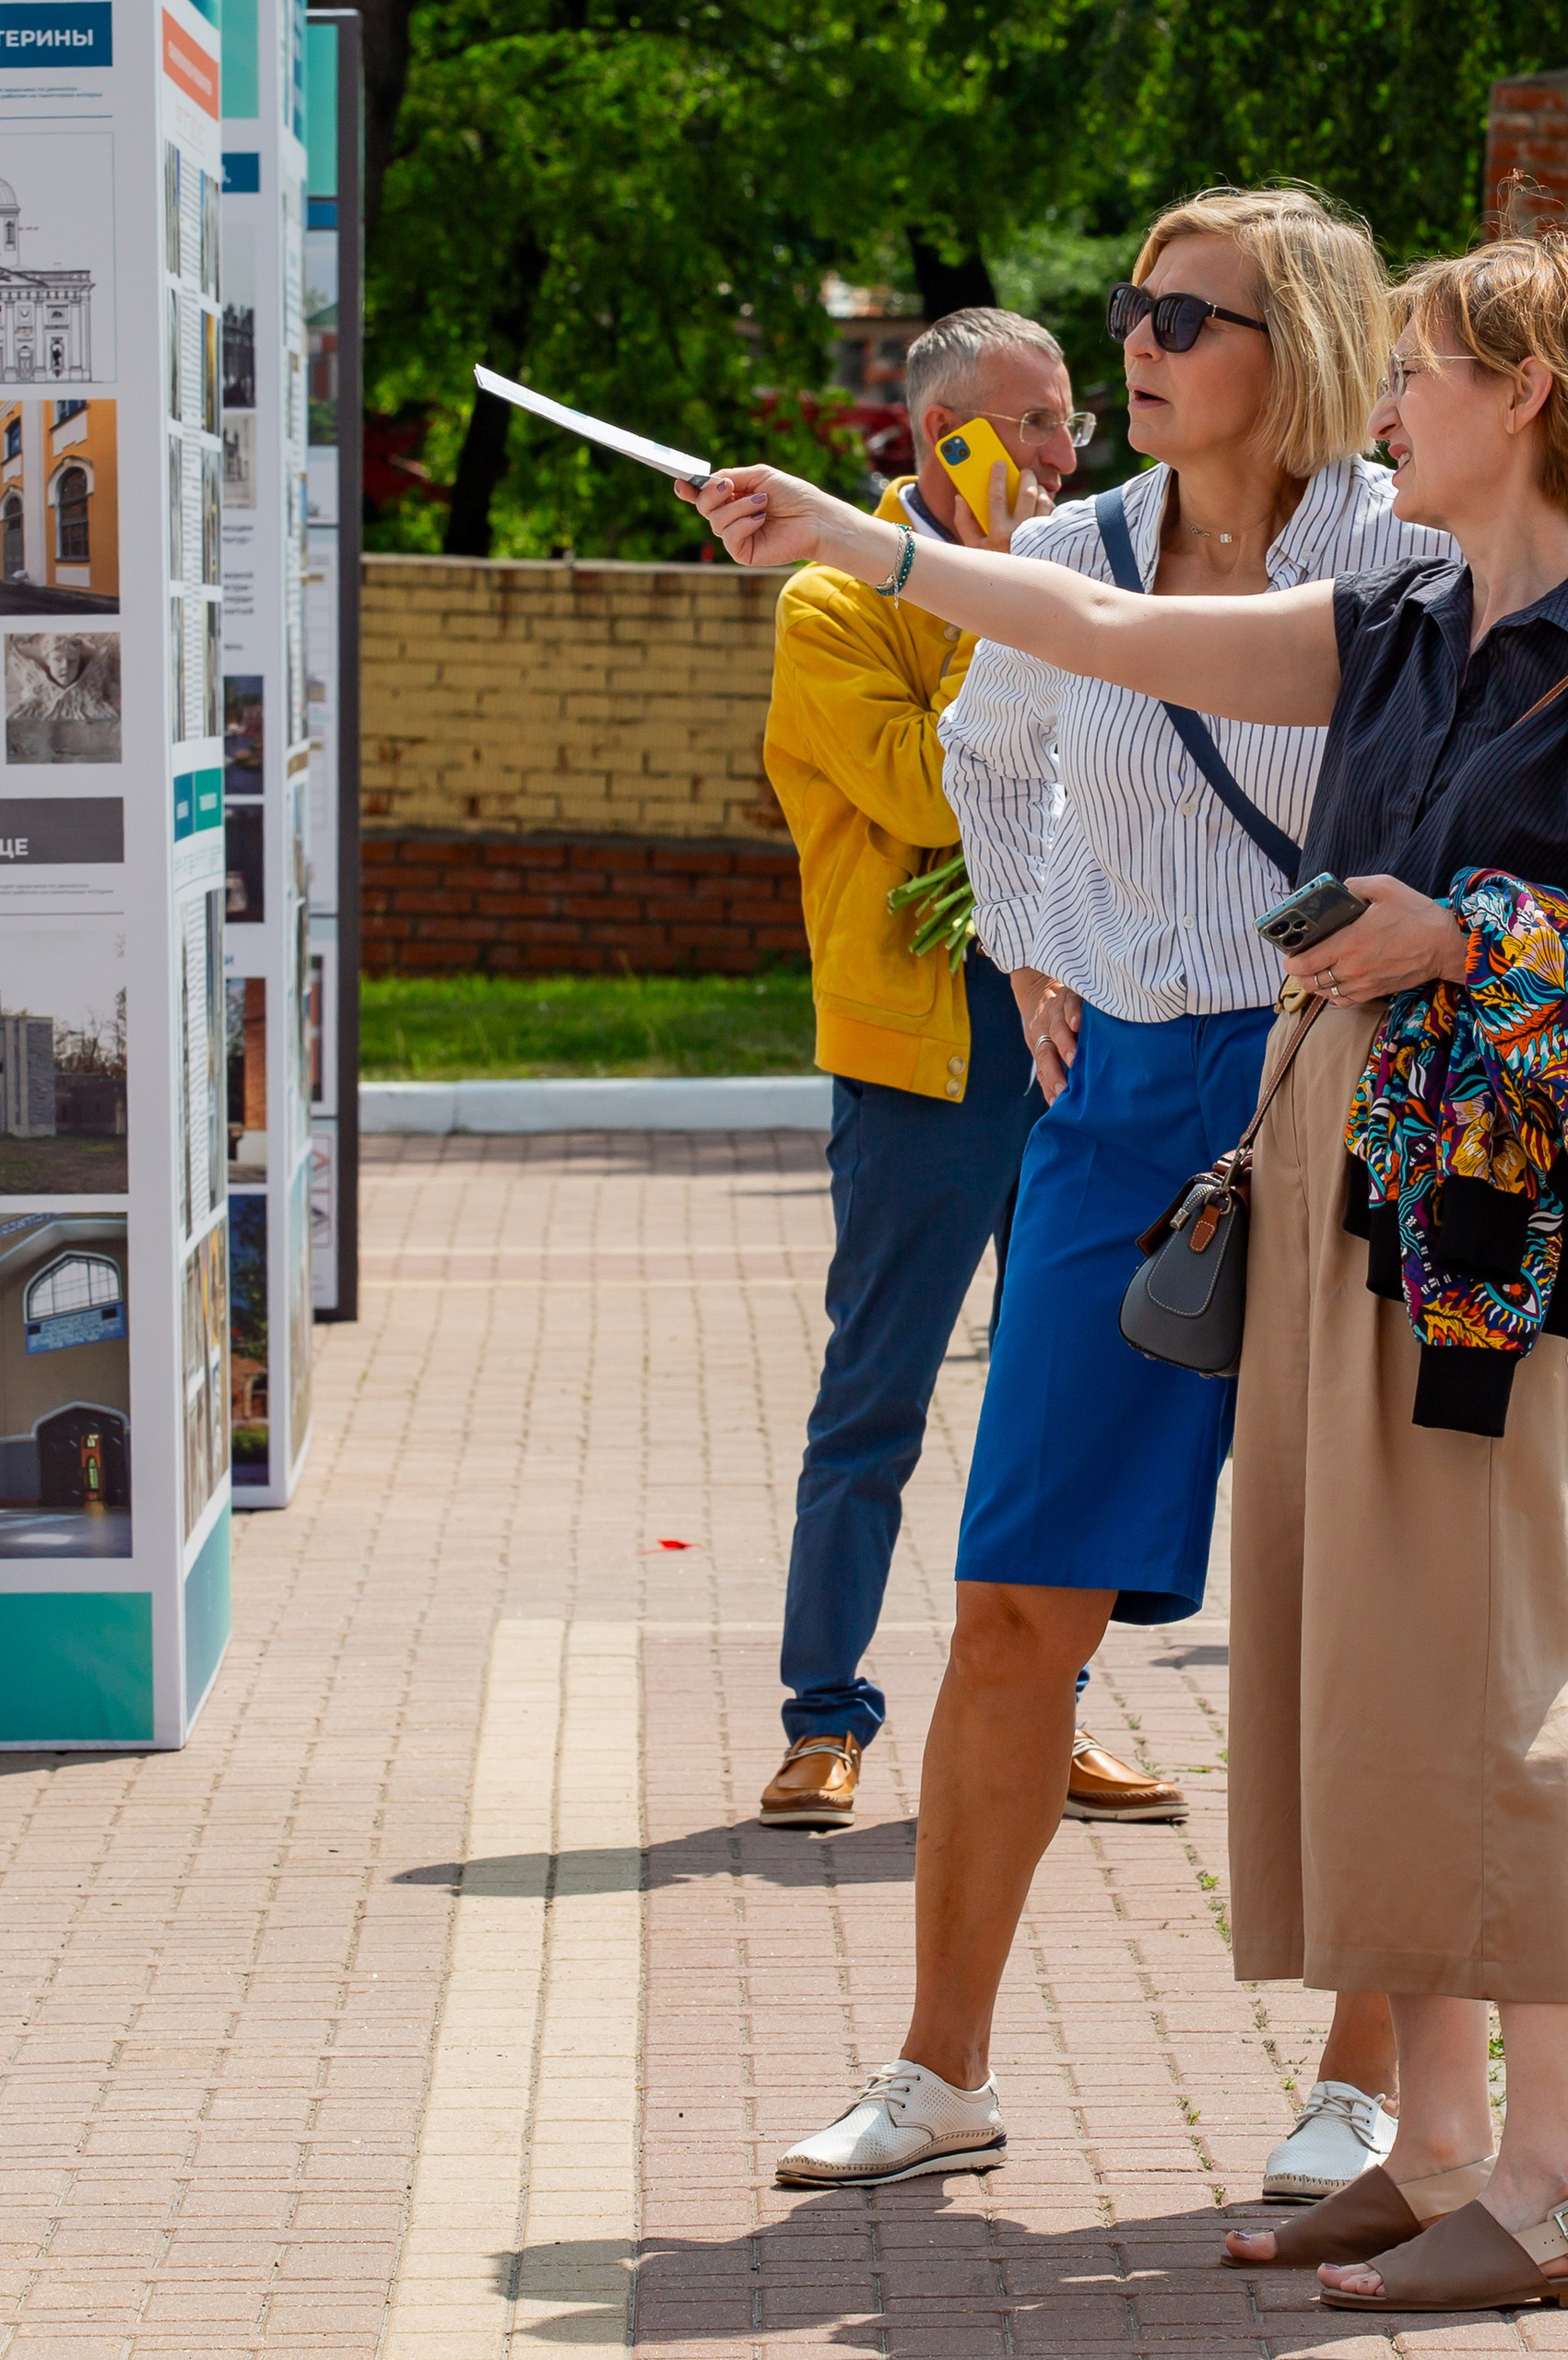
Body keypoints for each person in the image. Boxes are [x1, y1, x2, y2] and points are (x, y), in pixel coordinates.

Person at [684, 223, 1568, 2318]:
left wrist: (1471, 942)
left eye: (1423, 366)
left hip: (1485, 1196)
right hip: (1312, 1130)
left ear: (1509, 392)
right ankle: (1414, 2136)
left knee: (1465, 1659)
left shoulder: (1453, 592)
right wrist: (858, 542)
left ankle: (1497, 2161)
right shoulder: (1404, 615)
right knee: (1335, 1634)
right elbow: (1074, 624)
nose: (1141, 350)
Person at [758, 308, 1174, 1834]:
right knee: (876, 1396)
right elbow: (939, 790)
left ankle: (1044, 1714)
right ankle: (824, 1719)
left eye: (1071, 421)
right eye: (1041, 426)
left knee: (1063, 1395)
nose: (1072, 453)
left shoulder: (1100, 563)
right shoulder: (829, 605)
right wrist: (1013, 600)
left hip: (1076, 1026)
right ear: (952, 446)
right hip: (924, 1050)